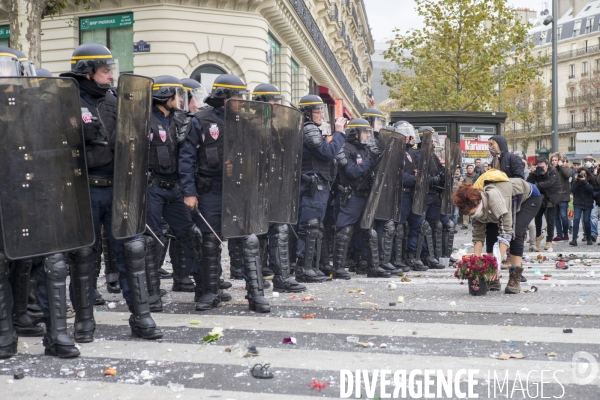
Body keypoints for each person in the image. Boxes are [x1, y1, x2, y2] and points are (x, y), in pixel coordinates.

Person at [56, 43, 163, 342]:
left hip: (118, 189)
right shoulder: (65, 100)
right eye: (105, 72)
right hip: (83, 189)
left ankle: (141, 317)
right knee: (83, 255)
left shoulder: (116, 101)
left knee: (132, 250)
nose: (110, 77)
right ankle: (84, 321)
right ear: (87, 72)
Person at [179, 74, 270, 312]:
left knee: (248, 240)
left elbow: (257, 157)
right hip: (210, 190)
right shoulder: (200, 120)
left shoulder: (247, 123)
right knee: (209, 241)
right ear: (225, 97)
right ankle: (211, 292)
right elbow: (186, 160)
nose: (242, 100)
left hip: (239, 191)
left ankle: (256, 294)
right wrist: (189, 192)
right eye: (238, 96)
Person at [251, 83, 306, 292]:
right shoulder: (252, 124)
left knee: (279, 229)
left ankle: (281, 278)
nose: (277, 105)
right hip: (256, 186)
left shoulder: (273, 125)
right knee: (256, 234)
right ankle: (256, 279)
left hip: (274, 185)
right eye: (274, 101)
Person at [452, 174, 542, 294]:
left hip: (527, 198)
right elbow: (478, 235)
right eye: (471, 216)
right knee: (491, 232)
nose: (474, 217)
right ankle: (493, 279)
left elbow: (506, 233)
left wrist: (496, 266)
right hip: (504, 200)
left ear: (478, 203)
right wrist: (476, 266)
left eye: (474, 213)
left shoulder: (495, 199)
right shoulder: (476, 206)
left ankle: (515, 276)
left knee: (515, 232)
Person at [294, 95, 346, 282]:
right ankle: (303, 269)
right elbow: (327, 152)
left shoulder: (314, 129)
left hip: (319, 187)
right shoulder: (309, 129)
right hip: (312, 187)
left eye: (322, 110)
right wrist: (339, 133)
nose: (322, 114)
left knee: (315, 228)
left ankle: (312, 266)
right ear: (307, 114)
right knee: (309, 227)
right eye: (318, 111)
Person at [333, 118, 392, 278]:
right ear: (354, 133)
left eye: (368, 131)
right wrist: (370, 160)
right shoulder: (343, 149)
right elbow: (353, 172)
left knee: (368, 232)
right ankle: (338, 268)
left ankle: (371, 266)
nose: (368, 134)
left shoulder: (367, 150)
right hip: (351, 195)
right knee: (345, 231)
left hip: (367, 195)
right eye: (364, 131)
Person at [392, 121, 427, 271]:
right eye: (404, 132)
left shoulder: (410, 152)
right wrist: (415, 179)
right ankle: (396, 259)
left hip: (412, 195)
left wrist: (417, 175)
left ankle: (412, 256)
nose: (409, 135)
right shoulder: (395, 151)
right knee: (398, 228)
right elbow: (397, 175)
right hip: (401, 195)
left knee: (418, 225)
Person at [527, 158, 563, 250]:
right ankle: (538, 235)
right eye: (539, 167)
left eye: (542, 167)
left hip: (553, 196)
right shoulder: (537, 172)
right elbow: (529, 182)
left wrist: (537, 185)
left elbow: (550, 183)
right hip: (542, 196)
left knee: (550, 219)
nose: (541, 169)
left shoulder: (553, 171)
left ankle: (549, 240)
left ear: (547, 165)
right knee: (537, 216)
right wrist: (533, 173)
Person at [570, 167, 597, 246]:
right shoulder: (576, 181)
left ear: (587, 174)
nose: (582, 175)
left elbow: (590, 190)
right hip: (578, 202)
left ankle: (588, 238)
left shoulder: (590, 180)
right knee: (576, 220)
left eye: (584, 174)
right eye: (581, 174)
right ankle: (574, 239)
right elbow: (572, 190)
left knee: (586, 221)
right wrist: (576, 180)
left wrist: (584, 181)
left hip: (588, 203)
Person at [551, 153, 571, 242]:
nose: (554, 162)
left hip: (563, 195)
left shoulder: (564, 168)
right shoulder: (550, 170)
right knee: (555, 216)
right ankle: (559, 234)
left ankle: (565, 233)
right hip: (554, 196)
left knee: (563, 216)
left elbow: (568, 175)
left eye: (555, 160)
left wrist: (561, 166)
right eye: (553, 160)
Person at [583, 155, 598, 242]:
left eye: (590, 160)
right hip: (584, 197)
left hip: (593, 197)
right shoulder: (582, 171)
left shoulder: (596, 171)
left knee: (593, 216)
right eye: (586, 160)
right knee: (585, 218)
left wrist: (596, 173)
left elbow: (596, 185)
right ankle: (586, 234)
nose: (588, 161)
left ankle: (593, 234)